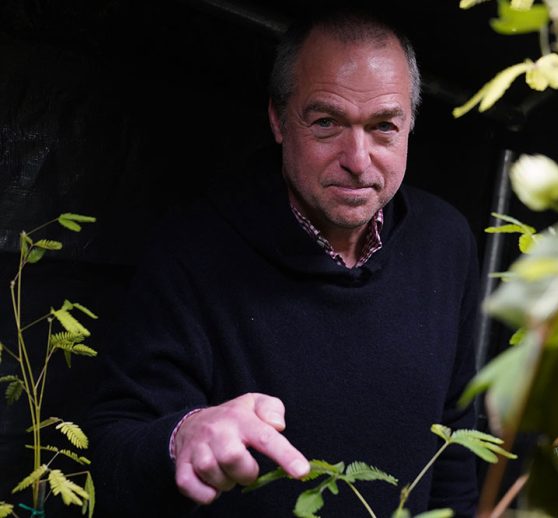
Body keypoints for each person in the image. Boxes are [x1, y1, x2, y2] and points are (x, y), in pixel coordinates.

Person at [89, 9, 480, 517]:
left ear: (409, 124)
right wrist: (182, 434)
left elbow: (455, 446)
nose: (358, 159)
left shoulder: (445, 241)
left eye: (383, 126)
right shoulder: (195, 248)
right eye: (326, 123)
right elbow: (112, 445)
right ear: (278, 119)